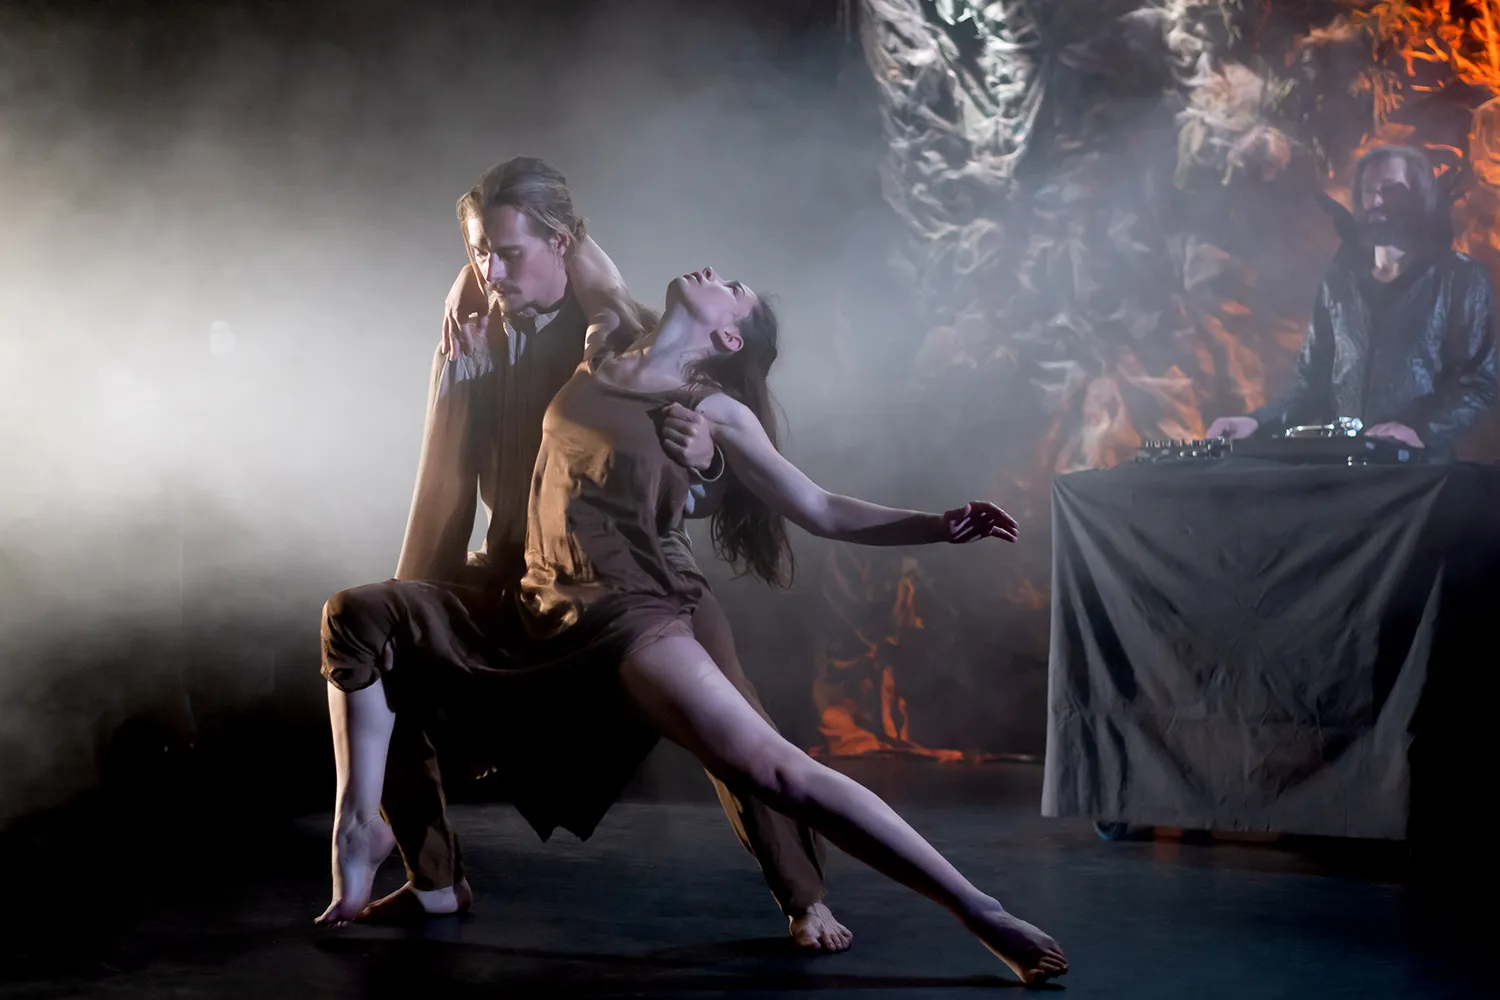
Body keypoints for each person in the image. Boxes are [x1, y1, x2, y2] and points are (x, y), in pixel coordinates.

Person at [315, 265, 1069, 985]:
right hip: (536, 605)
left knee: (774, 769)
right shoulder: (605, 340)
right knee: (356, 614)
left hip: (630, 615)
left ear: (730, 338)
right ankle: (363, 825)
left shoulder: (715, 411)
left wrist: (937, 525)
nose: (715, 272)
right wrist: (466, 283)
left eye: (732, 288)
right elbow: (562, 235)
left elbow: (820, 508)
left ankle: (980, 910)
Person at [367, 156, 849, 951]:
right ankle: (434, 879)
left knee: (736, 725)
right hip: (523, 568)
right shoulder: (472, 322)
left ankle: (806, 896)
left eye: (508, 253)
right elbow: (447, 476)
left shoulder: (621, 333)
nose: (490, 271)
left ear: (561, 245)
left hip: (635, 574)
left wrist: (707, 463)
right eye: (479, 255)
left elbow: (711, 455)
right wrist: (464, 310)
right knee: (385, 648)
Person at [1207, 144, 1499, 455]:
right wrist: (1256, 422)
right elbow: (1312, 385)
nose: (1377, 201)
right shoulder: (1339, 282)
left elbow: (1481, 381)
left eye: (1391, 190)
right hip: (1343, 469)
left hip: (1418, 473)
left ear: (1420, 196)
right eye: (1369, 191)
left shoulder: (1460, 279)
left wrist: (1421, 432)